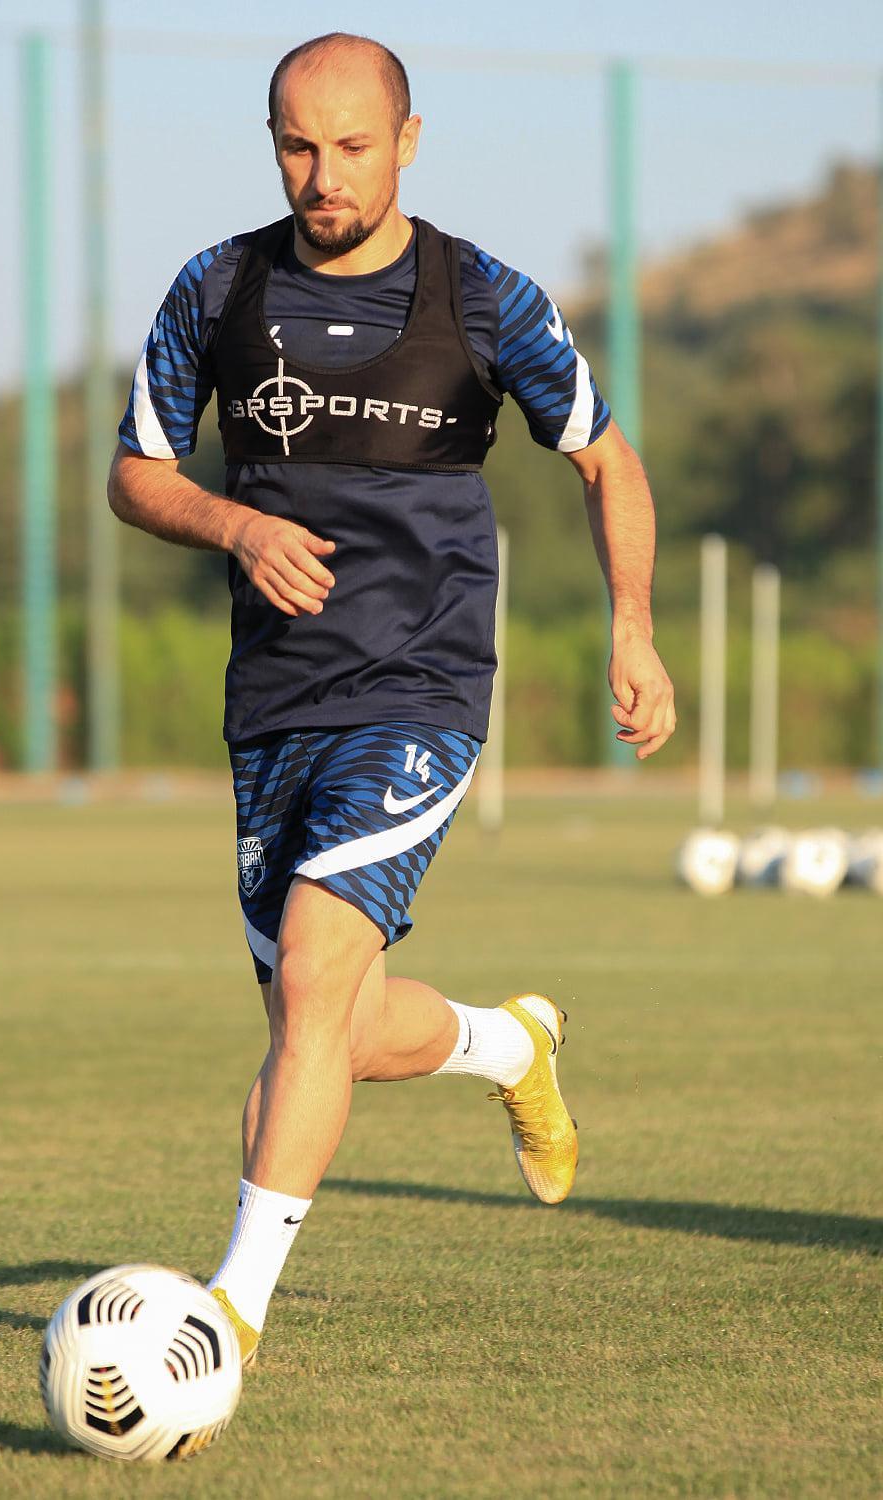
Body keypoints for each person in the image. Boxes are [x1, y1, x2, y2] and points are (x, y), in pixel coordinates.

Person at [108, 32, 676, 1367]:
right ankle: (507, 1045)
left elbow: (606, 460)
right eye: (298, 147)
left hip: (422, 687)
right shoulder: (217, 287)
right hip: (274, 703)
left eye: (353, 146)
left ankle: (229, 1315)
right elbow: (138, 472)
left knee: (314, 981)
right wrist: (238, 527)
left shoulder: (484, 298)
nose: (326, 175)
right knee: (333, 1025)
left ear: (408, 141)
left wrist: (634, 628)